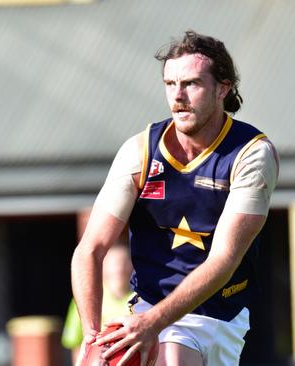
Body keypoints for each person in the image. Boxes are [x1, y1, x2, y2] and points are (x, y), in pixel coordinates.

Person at [71, 30, 279, 366]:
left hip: (215, 315)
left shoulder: (251, 154)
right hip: (148, 310)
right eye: (170, 84)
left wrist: (154, 322)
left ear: (222, 88)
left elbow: (223, 261)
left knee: (173, 355)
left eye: (191, 84)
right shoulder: (139, 151)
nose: (177, 96)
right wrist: (92, 336)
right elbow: (89, 250)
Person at [62, 243, 133, 364]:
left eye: (124, 262)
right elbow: (75, 342)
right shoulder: (87, 298)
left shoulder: (140, 299)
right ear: (103, 266)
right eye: (114, 264)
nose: (119, 269)